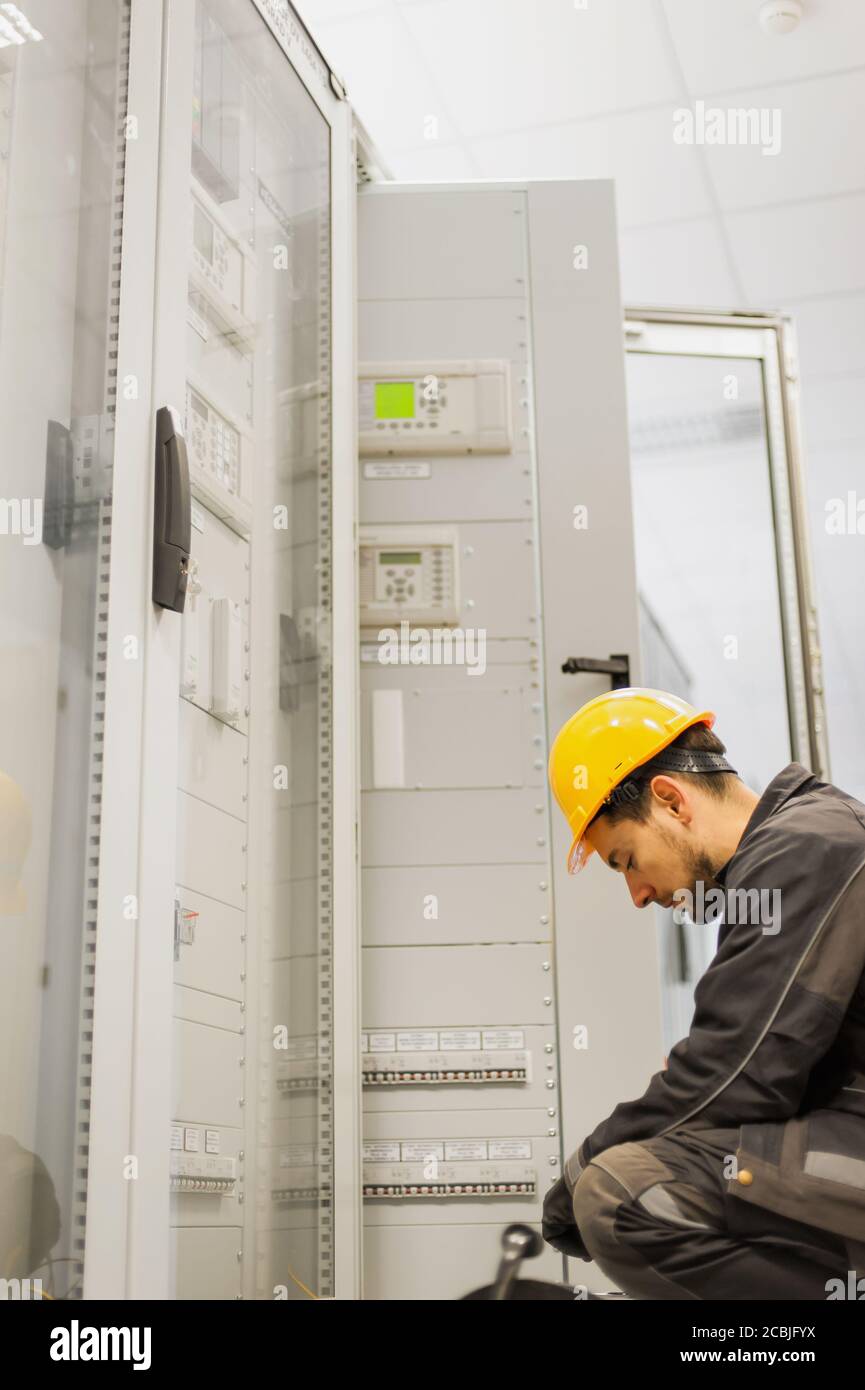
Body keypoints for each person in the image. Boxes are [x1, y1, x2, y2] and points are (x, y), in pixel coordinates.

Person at [542, 687, 865, 1300]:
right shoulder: (785, 857)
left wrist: (578, 1169)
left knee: (620, 1191)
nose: (638, 894)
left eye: (626, 860)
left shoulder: (805, 848)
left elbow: (735, 1074)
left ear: (669, 799)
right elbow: (746, 1071)